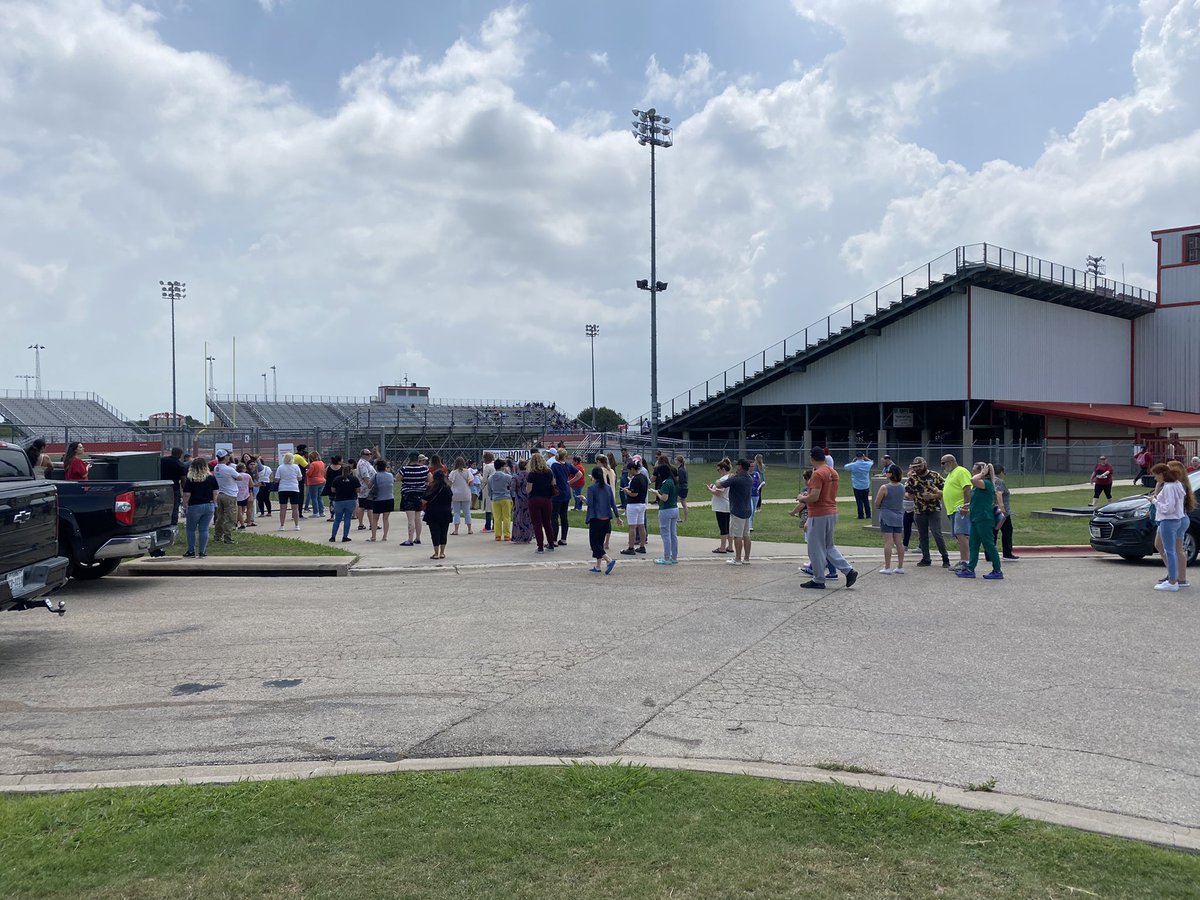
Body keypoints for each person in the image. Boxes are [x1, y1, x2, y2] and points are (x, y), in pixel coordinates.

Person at [800, 448, 859, 589]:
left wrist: (802, 498)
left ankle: (819, 579)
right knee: (828, 546)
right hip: (831, 511)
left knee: (815, 548)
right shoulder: (833, 472)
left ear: (812, 458)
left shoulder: (818, 473)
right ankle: (848, 570)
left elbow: (814, 496)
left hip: (818, 513)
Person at [956, 462, 1004, 580]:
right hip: (975, 518)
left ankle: (997, 570)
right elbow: (977, 500)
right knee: (974, 544)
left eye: (974, 470)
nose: (972, 472)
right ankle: (970, 569)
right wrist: (966, 506)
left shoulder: (986, 484)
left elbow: (973, 480)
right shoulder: (979, 486)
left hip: (984, 518)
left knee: (988, 544)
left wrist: (982, 474)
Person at [1151, 462, 1193, 591]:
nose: (1155, 478)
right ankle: (1174, 577)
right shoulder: (1178, 485)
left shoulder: (1171, 486)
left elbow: (1168, 508)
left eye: (1156, 475)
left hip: (1170, 520)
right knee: (1170, 550)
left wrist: (1155, 502)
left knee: (1171, 551)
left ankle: (1173, 580)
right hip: (1177, 519)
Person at [905, 458, 950, 568]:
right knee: (923, 535)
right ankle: (926, 558)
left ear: (924, 465)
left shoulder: (935, 476)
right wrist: (911, 496)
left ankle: (945, 557)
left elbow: (945, 492)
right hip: (919, 510)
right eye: (915, 467)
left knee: (937, 533)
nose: (917, 469)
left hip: (933, 509)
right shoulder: (912, 478)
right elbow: (907, 492)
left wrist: (933, 496)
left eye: (919, 466)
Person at [181, 457, 219, 558]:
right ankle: (202, 552)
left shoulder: (190, 479)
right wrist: (214, 502)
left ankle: (191, 551)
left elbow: (186, 494)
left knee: (191, 529)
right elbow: (215, 492)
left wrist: (185, 505)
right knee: (204, 529)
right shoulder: (211, 478)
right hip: (209, 505)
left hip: (195, 505)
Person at [585, 466, 621, 574]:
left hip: (596, 518)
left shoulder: (591, 489)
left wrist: (583, 500)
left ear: (593, 476)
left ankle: (608, 560)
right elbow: (613, 504)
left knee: (594, 544)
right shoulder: (608, 487)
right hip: (606, 519)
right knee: (600, 542)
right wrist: (618, 516)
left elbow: (590, 504)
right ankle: (598, 566)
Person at [719, 459, 755, 566]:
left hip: (737, 511)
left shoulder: (736, 479)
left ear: (740, 467)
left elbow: (720, 484)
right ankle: (746, 558)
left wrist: (722, 479)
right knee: (746, 535)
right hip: (747, 510)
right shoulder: (749, 478)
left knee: (737, 536)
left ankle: (738, 559)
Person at [941, 454, 973, 570]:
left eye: (943, 463)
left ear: (951, 461)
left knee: (961, 535)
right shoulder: (950, 474)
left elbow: (967, 488)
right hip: (953, 510)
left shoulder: (961, 471)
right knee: (958, 536)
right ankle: (962, 560)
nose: (942, 466)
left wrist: (965, 506)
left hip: (960, 508)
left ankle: (965, 562)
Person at [875, 466, 906, 574]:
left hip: (887, 515)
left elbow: (877, 503)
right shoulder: (902, 487)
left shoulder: (884, 487)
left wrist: (880, 506)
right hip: (898, 515)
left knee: (888, 541)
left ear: (891, 474)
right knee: (899, 542)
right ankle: (900, 566)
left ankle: (887, 567)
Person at [525, 452, 556, 552]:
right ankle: (551, 543)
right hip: (547, 499)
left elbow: (529, 490)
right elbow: (553, 484)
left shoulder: (532, 474)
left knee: (537, 524)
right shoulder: (549, 472)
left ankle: (540, 546)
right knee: (547, 522)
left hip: (534, 499)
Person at [399, 451, 430, 546]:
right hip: (420, 494)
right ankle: (418, 538)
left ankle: (410, 539)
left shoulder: (405, 469)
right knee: (417, 518)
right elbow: (430, 479)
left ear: (409, 459)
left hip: (408, 494)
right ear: (418, 459)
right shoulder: (424, 468)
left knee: (410, 519)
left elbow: (397, 478)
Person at [653, 462, 679, 565]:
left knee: (665, 534)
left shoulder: (666, 483)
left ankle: (667, 557)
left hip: (666, 509)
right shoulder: (674, 481)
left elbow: (664, 498)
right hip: (674, 508)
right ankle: (674, 557)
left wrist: (656, 494)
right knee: (673, 534)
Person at [620, 461, 649, 555]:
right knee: (641, 525)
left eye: (629, 470)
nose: (629, 472)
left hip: (633, 504)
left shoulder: (636, 479)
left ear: (632, 469)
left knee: (632, 527)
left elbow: (634, 493)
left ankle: (631, 547)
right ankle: (642, 546)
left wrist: (626, 491)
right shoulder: (644, 477)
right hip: (642, 503)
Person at [212, 449, 240, 543]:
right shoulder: (228, 469)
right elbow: (239, 477)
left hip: (221, 494)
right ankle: (228, 537)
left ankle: (217, 536)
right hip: (230, 494)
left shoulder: (216, 468)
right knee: (231, 517)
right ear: (225, 457)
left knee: (220, 517)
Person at [423, 469, 453, 559]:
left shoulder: (431, 488)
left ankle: (436, 553)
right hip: (445, 512)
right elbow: (450, 498)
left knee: (434, 533)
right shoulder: (447, 488)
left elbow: (424, 500)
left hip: (433, 512)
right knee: (444, 532)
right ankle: (442, 552)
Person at [328, 461, 360, 542]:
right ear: (350, 471)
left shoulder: (337, 479)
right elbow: (358, 490)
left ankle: (333, 537)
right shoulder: (354, 479)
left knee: (337, 519)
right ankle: (345, 536)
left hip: (339, 500)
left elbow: (333, 489)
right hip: (351, 500)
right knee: (347, 518)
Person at [274, 452, 303, 530]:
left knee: (283, 508)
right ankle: (296, 525)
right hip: (294, 488)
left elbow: (276, 479)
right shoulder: (296, 467)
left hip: (283, 488)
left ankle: (282, 525)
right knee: (295, 507)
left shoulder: (280, 467)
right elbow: (300, 477)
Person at [549, 449, 573, 545]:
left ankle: (554, 539)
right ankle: (563, 538)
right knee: (564, 516)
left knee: (554, 516)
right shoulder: (568, 465)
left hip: (557, 493)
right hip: (566, 493)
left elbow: (553, 479)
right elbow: (579, 474)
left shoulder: (554, 466)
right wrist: (569, 482)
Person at [993, 464, 1017, 561]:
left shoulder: (991, 480)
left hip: (992, 510)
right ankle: (1007, 553)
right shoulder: (999, 481)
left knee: (993, 532)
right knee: (1007, 531)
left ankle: (989, 554)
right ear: (1001, 472)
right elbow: (999, 494)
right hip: (1002, 512)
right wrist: (1002, 508)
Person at [367, 458, 394, 542]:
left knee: (375, 519)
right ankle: (385, 536)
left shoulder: (376, 475)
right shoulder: (390, 475)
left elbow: (369, 485)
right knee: (386, 518)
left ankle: (373, 536)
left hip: (378, 499)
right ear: (385, 467)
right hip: (389, 498)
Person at [160, 447, 187, 524]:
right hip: (173, 488)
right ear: (180, 455)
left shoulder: (162, 460)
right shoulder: (180, 465)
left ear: (172, 452)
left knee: (161, 506)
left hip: (161, 487)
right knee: (174, 508)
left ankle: (162, 523)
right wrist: (185, 491)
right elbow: (183, 480)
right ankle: (173, 523)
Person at [488, 459, 514, 541]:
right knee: (506, 517)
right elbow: (512, 486)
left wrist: (491, 497)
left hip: (495, 499)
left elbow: (489, 490)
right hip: (506, 497)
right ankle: (506, 535)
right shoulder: (507, 476)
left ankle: (497, 535)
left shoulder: (491, 478)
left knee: (497, 517)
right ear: (503, 467)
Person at [844, 451, 874, 519]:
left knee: (859, 501)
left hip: (857, 485)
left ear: (856, 457)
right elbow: (872, 462)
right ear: (863, 456)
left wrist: (853, 461)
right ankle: (868, 514)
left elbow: (845, 467)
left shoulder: (853, 465)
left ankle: (861, 515)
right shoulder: (867, 464)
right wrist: (866, 458)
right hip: (865, 485)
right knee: (866, 500)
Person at [449, 457, 474, 536]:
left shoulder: (453, 473)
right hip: (466, 493)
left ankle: (456, 530)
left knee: (456, 512)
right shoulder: (467, 472)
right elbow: (471, 482)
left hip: (455, 494)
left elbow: (450, 483)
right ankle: (469, 529)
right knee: (467, 512)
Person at [511, 460, 532, 544]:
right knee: (528, 516)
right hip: (528, 497)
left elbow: (512, 488)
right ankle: (528, 536)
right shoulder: (529, 475)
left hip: (519, 498)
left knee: (518, 516)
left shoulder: (515, 476)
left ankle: (518, 536)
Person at [354, 449, 375, 531]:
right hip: (366, 488)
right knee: (369, 507)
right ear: (362, 455)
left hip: (365, 488)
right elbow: (365, 476)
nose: (369, 455)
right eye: (367, 454)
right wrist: (370, 485)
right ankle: (372, 524)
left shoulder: (366, 462)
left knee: (362, 506)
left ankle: (361, 524)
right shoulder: (362, 463)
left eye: (370, 454)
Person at [748, 454, 766, 532]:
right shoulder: (746, 475)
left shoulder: (757, 474)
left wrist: (761, 484)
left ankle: (751, 524)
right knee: (751, 509)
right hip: (748, 494)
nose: (752, 468)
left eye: (753, 466)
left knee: (753, 511)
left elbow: (761, 481)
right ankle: (749, 526)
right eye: (751, 466)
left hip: (756, 494)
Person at [234, 462, 253, 529]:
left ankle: (241, 524)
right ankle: (236, 523)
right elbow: (251, 485)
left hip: (237, 494)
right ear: (243, 468)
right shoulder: (248, 476)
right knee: (242, 510)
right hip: (245, 494)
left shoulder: (235, 475)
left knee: (238, 510)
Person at [480, 452, 496, 533]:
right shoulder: (495, 465)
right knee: (495, 507)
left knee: (488, 508)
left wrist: (480, 478)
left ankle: (487, 526)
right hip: (497, 488)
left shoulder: (487, 467)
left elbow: (485, 480)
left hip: (488, 488)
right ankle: (495, 525)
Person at [292, 445, 309, 517]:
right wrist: (307, 458)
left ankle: (294, 513)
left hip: (293, 479)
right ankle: (299, 514)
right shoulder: (300, 458)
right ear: (301, 451)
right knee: (300, 496)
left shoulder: (293, 456)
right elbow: (308, 466)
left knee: (294, 497)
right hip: (299, 479)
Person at [672, 455, 690, 524]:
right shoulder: (684, 468)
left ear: (679, 461)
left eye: (676, 460)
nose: (675, 461)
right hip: (685, 487)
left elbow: (681, 480)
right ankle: (685, 519)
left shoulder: (680, 470)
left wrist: (676, 481)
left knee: (674, 502)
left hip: (681, 488)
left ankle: (678, 518)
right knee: (684, 503)